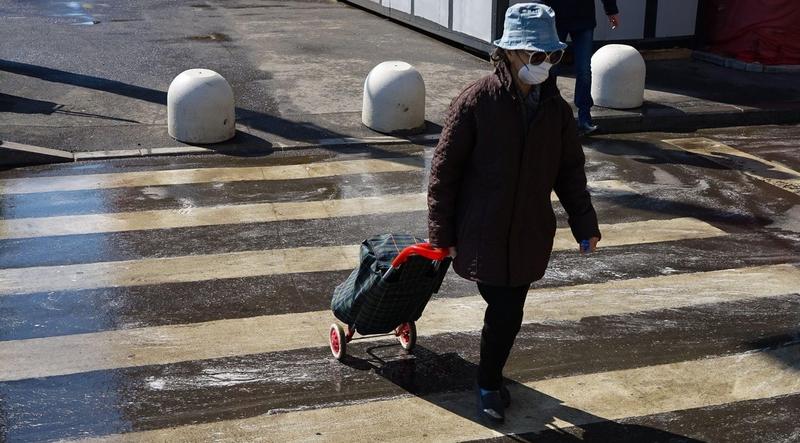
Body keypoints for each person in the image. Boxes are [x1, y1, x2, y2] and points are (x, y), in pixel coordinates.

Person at [427, 3, 601, 424]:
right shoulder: (476, 102)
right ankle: (488, 383)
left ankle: (491, 376)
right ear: (508, 53)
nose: (544, 64)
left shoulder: (556, 111)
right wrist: (441, 234)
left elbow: (570, 172)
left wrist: (585, 225)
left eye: (552, 56)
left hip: (527, 231)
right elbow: (444, 172)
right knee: (503, 308)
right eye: (536, 55)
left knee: (510, 310)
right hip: (482, 229)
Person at [544, 0, 620, 136]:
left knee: (584, 71)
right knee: (551, 70)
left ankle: (584, 120)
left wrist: (611, 10)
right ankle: (548, 117)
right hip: (555, 19)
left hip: (583, 19)